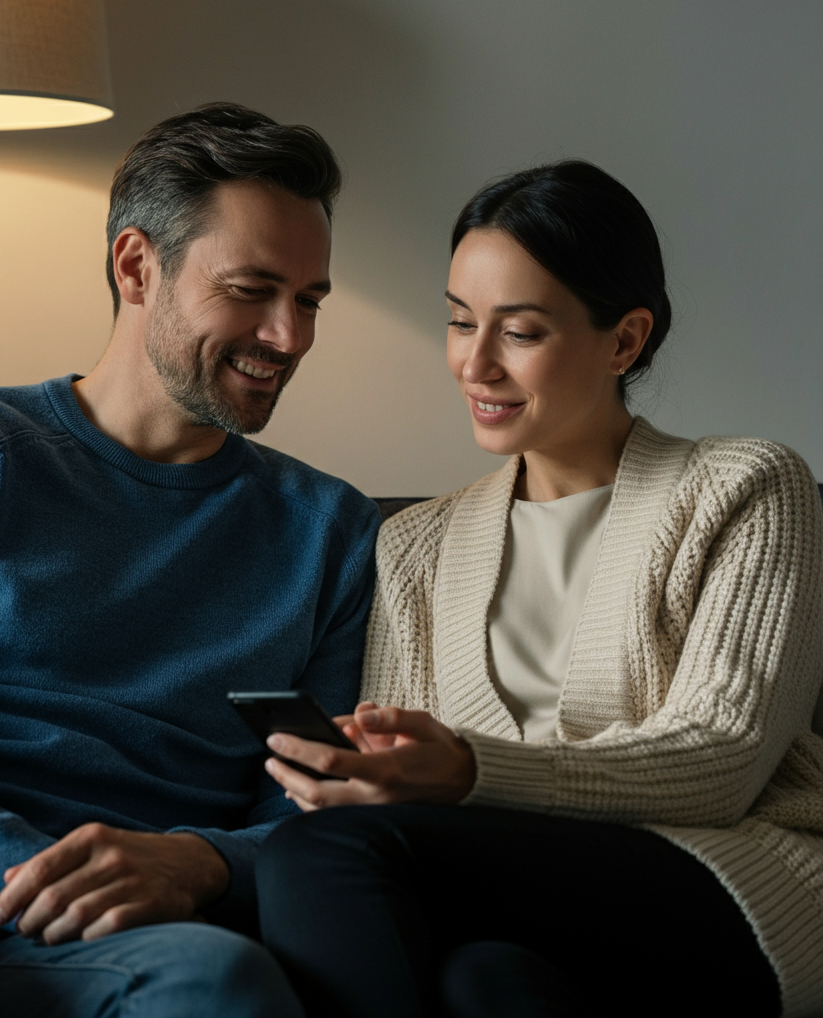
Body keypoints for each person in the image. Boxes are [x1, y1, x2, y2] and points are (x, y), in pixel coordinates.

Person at [0, 102, 380, 1017]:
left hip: (117, 939)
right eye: (252, 289)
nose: (290, 336)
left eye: (308, 301)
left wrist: (197, 862)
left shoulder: (331, 531)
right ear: (136, 266)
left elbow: (315, 812)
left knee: (218, 985)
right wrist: (30, 870)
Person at [255, 160, 823, 1018]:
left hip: (731, 881)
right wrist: (373, 769)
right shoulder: (416, 545)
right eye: (459, 322)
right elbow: (407, 776)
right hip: (527, 900)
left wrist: (469, 770)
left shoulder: (747, 487)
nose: (474, 364)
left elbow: (722, 762)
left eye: (519, 332)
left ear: (624, 342)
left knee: (321, 853)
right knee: (484, 984)